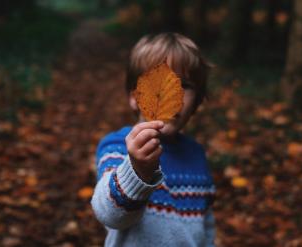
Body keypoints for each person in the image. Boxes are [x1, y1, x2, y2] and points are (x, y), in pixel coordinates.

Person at [91, 32, 215, 247]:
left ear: (198, 102)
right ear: (134, 97)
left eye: (184, 85)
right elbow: (109, 215)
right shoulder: (118, 147)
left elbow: (206, 227)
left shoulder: (196, 155)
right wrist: (137, 170)